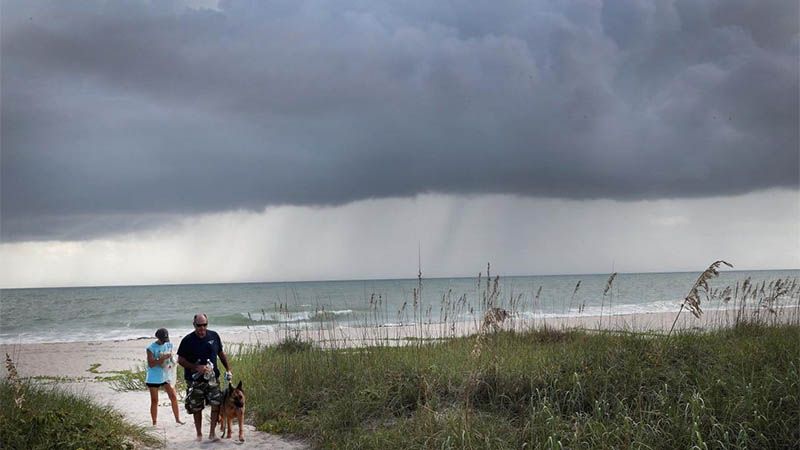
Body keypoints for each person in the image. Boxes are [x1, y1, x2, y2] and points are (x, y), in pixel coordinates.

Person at [177, 313, 232, 442]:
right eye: (199, 325)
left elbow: (221, 353)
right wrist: (196, 367)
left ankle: (212, 433)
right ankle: (199, 434)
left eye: (204, 325)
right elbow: (180, 360)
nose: (202, 328)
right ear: (194, 325)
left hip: (213, 378)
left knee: (216, 404)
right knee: (197, 407)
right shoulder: (187, 340)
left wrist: (228, 369)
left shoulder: (214, 336)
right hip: (195, 380)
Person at [145, 328, 184, 426]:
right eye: (163, 339)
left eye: (165, 339)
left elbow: (171, 359)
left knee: (173, 396)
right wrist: (161, 359)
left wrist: (172, 359)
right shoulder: (150, 348)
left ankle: (177, 419)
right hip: (153, 377)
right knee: (155, 400)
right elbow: (151, 364)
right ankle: (154, 422)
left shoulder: (168, 345)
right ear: (158, 337)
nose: (164, 341)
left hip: (166, 375)